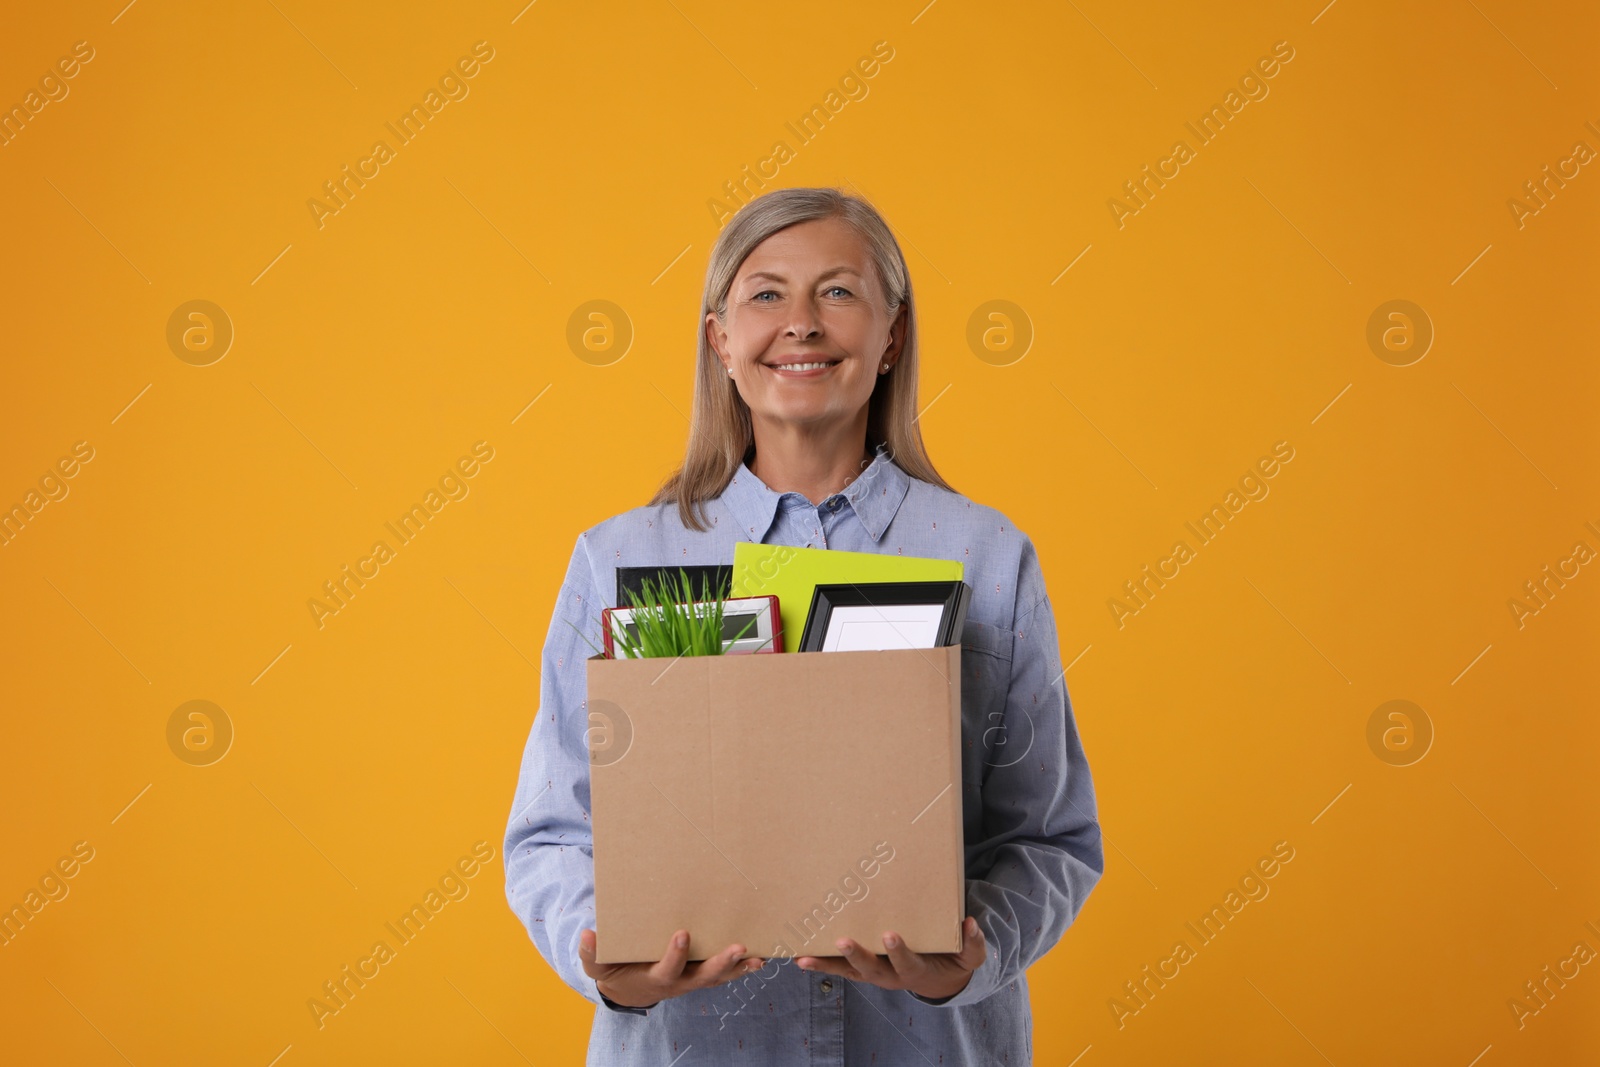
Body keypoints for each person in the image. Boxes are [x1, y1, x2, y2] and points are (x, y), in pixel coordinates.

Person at [503, 186, 1103, 1064]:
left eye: (838, 292)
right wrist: (606, 961)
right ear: (719, 338)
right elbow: (551, 831)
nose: (801, 324)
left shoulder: (987, 554)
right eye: (765, 293)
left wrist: (976, 955)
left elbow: (1049, 836)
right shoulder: (616, 558)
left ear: (892, 335)